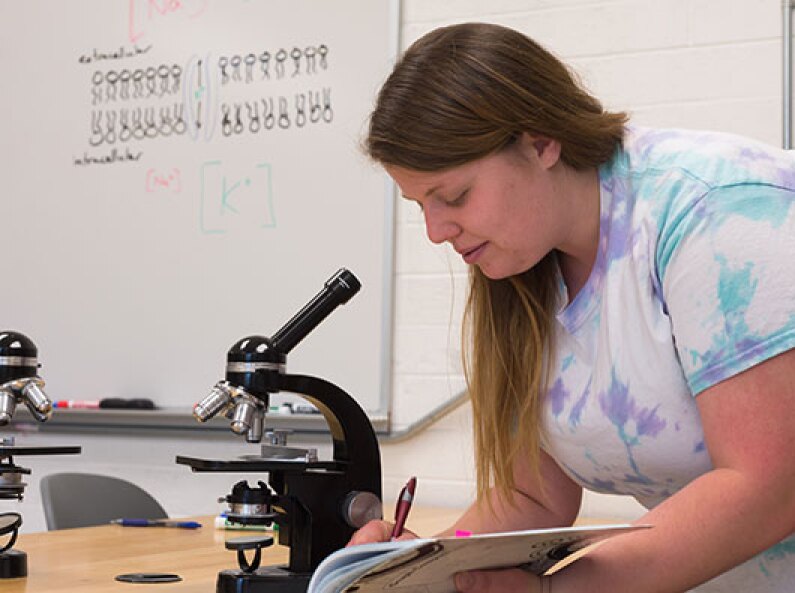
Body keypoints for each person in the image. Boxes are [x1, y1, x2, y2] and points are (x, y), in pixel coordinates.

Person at [349, 22, 795, 593]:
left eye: (454, 197)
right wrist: (429, 566)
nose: (437, 232)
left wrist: (561, 590)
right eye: (420, 206)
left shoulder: (715, 211)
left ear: (540, 143)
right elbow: (532, 494)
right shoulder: (523, 259)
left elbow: (767, 485)